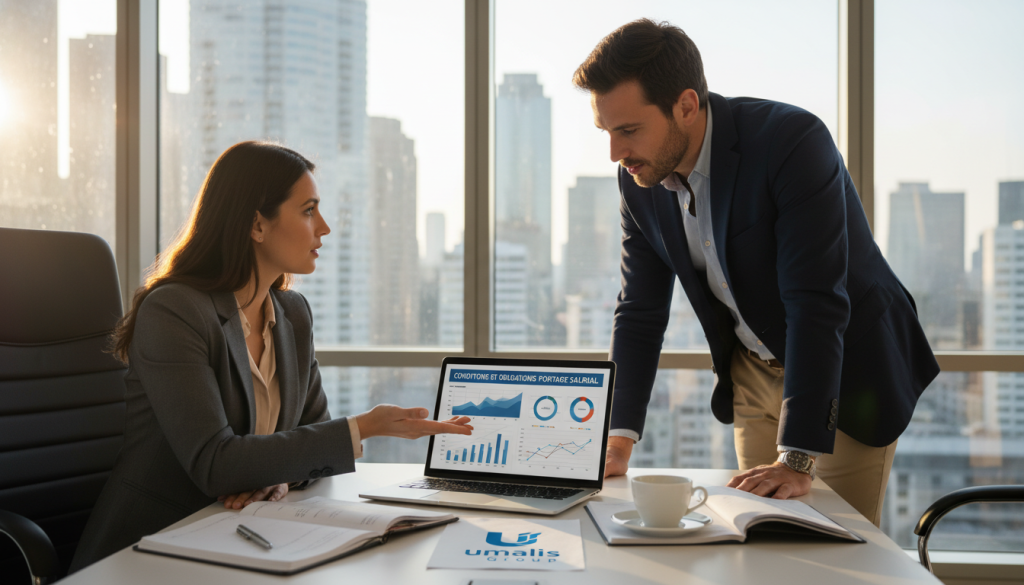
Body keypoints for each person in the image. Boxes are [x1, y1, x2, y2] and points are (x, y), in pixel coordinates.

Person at [573, 19, 938, 526]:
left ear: (685, 105)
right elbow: (638, 310)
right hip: (751, 376)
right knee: (763, 543)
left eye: (629, 130)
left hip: (845, 374)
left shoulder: (790, 142)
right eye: (606, 131)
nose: (615, 152)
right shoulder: (637, 180)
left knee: (841, 557)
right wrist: (617, 436)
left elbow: (815, 301)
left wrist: (798, 455)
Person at [70, 142, 473, 571]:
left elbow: (312, 439)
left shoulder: (292, 314)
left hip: (240, 541)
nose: (325, 228)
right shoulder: (175, 311)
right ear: (257, 224)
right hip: (150, 550)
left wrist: (276, 474)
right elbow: (215, 463)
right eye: (308, 210)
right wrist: (365, 426)